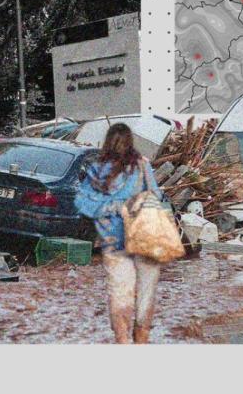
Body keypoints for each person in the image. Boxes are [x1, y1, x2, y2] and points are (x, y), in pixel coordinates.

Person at [75, 123, 165, 344]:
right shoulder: (143, 166)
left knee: (120, 294)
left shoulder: (98, 168)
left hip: (114, 241)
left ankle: (123, 341)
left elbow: (82, 202)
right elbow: (156, 196)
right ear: (131, 142)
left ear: (107, 142)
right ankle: (141, 341)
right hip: (144, 238)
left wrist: (108, 207)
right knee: (145, 294)